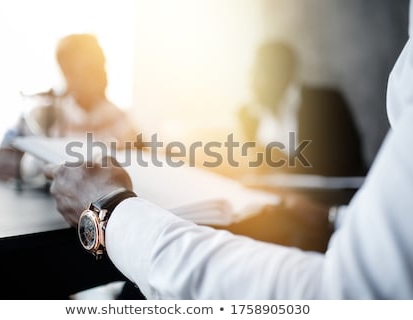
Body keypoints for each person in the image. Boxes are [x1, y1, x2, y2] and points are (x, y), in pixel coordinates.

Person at [45, 11, 413, 298]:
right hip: (298, 215)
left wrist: (110, 211)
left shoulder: (323, 103)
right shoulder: (247, 115)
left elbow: (347, 296)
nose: (255, 81)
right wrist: (336, 218)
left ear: (287, 72)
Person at [0, 34, 136, 182]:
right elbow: (3, 165)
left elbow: (135, 165)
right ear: (67, 73)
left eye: (102, 65)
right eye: (91, 69)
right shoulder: (43, 113)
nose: (103, 74)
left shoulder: (118, 118)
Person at [239, 41, 366, 176]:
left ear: (282, 73)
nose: (252, 82)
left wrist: (280, 159)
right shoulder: (252, 116)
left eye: (259, 73)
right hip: (278, 194)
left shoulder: (324, 103)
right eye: (251, 73)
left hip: (333, 194)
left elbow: (345, 160)